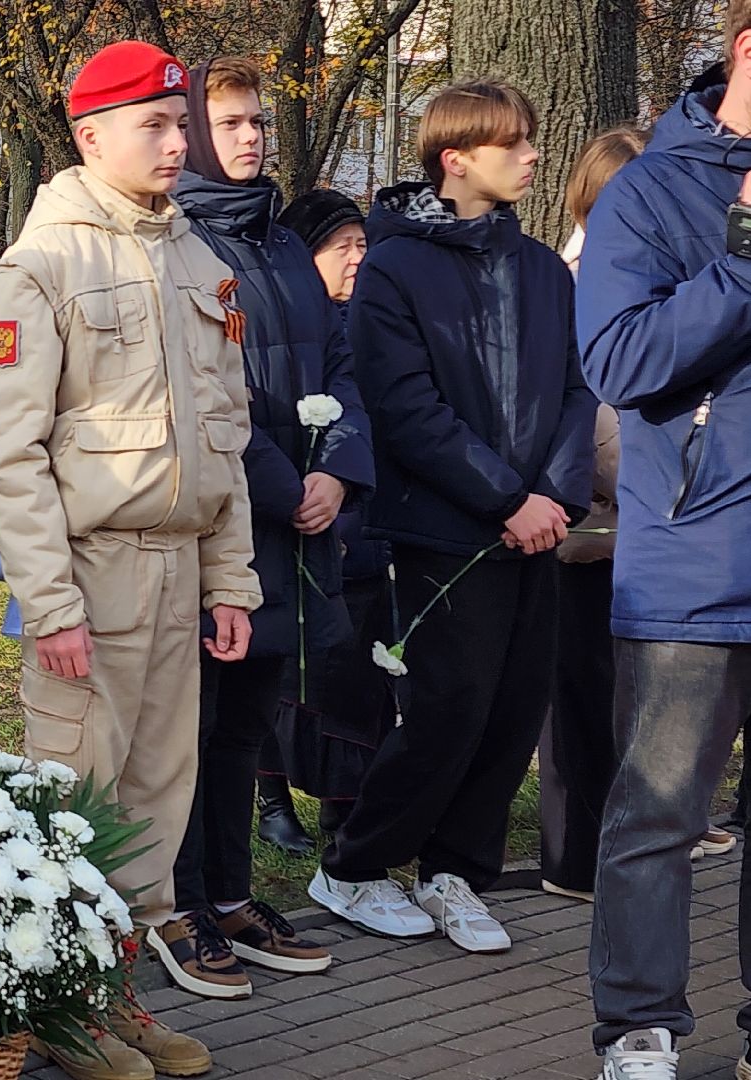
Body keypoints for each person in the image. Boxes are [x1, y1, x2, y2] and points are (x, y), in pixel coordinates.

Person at [0, 40, 261, 1080]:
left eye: (181, 123)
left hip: (180, 573)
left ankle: (115, 999)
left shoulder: (197, 261)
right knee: (75, 802)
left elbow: (225, 436)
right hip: (90, 576)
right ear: (90, 137)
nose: (178, 143)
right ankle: (61, 1011)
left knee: (152, 803)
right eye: (155, 125)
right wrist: (49, 605)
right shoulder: (42, 267)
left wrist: (231, 580)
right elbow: (10, 456)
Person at [310, 81, 594, 955]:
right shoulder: (396, 267)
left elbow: (575, 391)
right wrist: (505, 498)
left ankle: (455, 872)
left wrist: (554, 498)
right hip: (446, 527)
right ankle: (354, 866)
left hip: (538, 526)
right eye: (513, 143)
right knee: (448, 709)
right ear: (456, 159)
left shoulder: (541, 267)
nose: (533, 155)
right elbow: (405, 406)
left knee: (513, 711)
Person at [158, 56, 372, 1000]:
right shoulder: (181, 241)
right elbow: (212, 396)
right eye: (230, 124)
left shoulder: (284, 243)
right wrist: (289, 485)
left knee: (247, 727)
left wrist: (338, 469)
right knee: (196, 726)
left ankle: (233, 893)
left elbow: (341, 364)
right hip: (223, 525)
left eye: (257, 122)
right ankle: (181, 902)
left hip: (295, 528)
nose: (250, 138)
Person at [577, 5, 751, 1074]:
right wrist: (744, 257)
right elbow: (622, 361)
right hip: (695, 562)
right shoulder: (649, 190)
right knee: (657, 817)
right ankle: (637, 1027)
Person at [538, 125, 643, 905]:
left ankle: (611, 848)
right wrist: (653, 481)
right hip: (593, 524)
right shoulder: (575, 283)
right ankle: (575, 859)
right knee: (580, 696)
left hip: (628, 523)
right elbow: (596, 411)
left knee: (616, 695)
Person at [271, 187, 393, 844]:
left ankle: (345, 806)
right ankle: (271, 800)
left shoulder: (374, 323)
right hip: (299, 522)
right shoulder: (286, 324)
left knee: (355, 679)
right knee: (287, 673)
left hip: (363, 523)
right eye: (341, 246)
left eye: (362, 244)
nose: (356, 257)